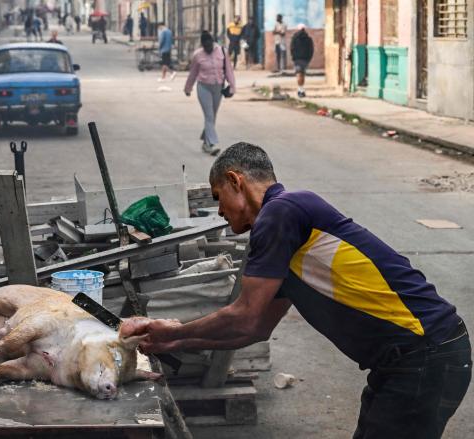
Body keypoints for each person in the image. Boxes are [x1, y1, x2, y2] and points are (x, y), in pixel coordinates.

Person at [123, 142, 472, 439]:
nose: (218, 211)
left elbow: (244, 316)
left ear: (235, 180)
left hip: (425, 352)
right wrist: (176, 341)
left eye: (219, 197)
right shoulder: (284, 231)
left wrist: (177, 331)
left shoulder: (281, 212)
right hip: (413, 360)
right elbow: (255, 328)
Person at [183, 31, 235, 156]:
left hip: (218, 87)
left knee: (213, 116)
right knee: (209, 115)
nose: (208, 48)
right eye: (205, 46)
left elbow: (229, 70)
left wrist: (232, 87)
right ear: (202, 45)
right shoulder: (197, 55)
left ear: (213, 42)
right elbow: (193, 73)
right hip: (203, 87)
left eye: (210, 45)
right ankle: (211, 144)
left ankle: (206, 141)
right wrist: (188, 88)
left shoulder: (222, 51)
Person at [291, 23, 314, 98]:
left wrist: (293, 57)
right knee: (302, 74)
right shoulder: (308, 39)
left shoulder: (294, 38)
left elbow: (292, 48)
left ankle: (300, 89)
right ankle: (301, 89)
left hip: (297, 59)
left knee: (298, 73)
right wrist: (309, 58)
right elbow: (311, 50)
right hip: (305, 59)